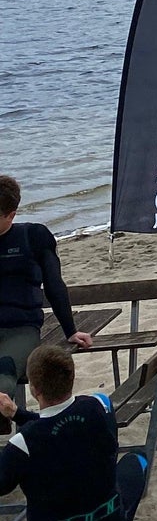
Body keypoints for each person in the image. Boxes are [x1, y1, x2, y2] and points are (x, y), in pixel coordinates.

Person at [0, 344, 148, 521]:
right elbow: (62, 428)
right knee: (136, 459)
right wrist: (19, 415)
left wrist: (18, 416)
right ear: (71, 377)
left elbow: (4, 483)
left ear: (33, 389)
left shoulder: (22, 444)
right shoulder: (98, 408)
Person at [0, 175, 92, 415]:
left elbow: (54, 285)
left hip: (20, 328)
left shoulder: (34, 236)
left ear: (11, 215)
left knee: (3, 375)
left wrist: (70, 330)